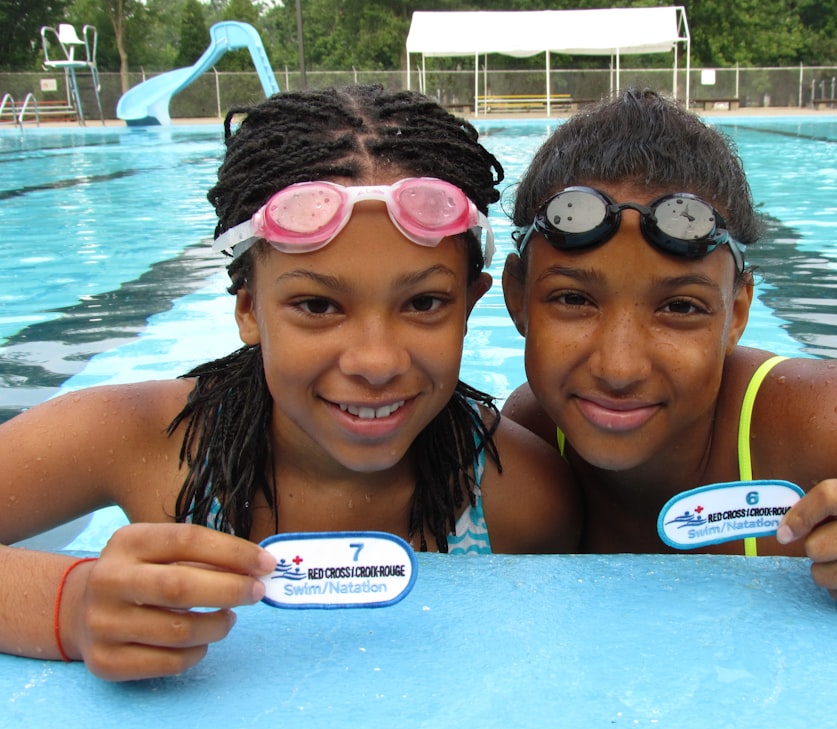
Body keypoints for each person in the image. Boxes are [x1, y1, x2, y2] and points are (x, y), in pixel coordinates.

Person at [0, 85, 580, 681]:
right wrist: (72, 605)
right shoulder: (145, 441)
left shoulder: (521, 495)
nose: (375, 361)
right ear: (249, 308)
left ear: (468, 305)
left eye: (424, 302)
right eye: (318, 305)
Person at [501, 87, 837, 614]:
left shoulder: (819, 420)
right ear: (518, 298)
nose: (619, 368)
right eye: (574, 299)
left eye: (681, 308)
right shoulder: (533, 437)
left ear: (737, 312)